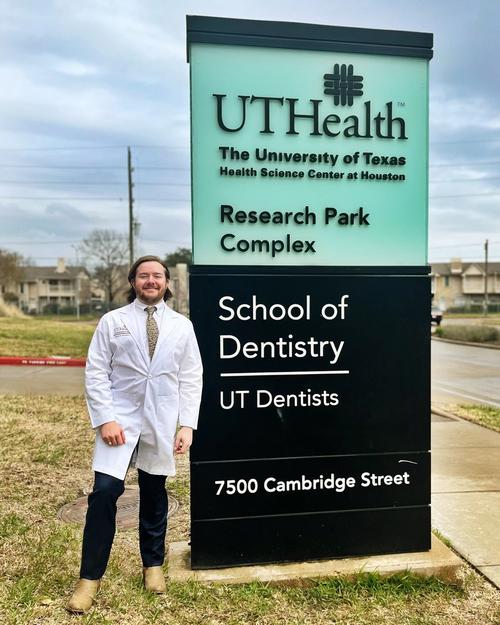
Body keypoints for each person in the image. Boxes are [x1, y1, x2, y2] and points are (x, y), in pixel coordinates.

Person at [67, 255, 203, 613]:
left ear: (167, 282)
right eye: (143, 276)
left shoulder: (182, 326)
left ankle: (152, 566)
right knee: (105, 492)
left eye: (157, 276)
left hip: (161, 419)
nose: (151, 281)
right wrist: (105, 419)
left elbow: (191, 377)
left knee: (155, 493)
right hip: (119, 421)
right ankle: (89, 580)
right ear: (133, 282)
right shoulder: (113, 322)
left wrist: (186, 424)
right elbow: (96, 372)